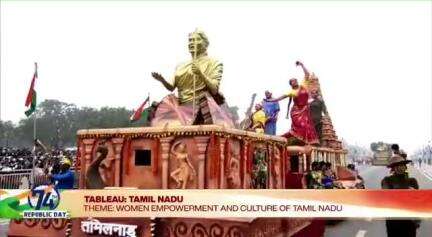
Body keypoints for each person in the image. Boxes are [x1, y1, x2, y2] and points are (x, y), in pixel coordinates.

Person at [150, 30, 234, 127]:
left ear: (205, 44)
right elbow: (171, 87)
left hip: (201, 105)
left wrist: (200, 74)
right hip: (181, 106)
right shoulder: (180, 66)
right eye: (190, 40)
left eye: (196, 40)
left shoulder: (214, 63)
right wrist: (162, 80)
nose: (191, 43)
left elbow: (214, 89)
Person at [265, 61, 319, 145]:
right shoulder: (291, 92)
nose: (295, 81)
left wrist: (302, 65)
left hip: (304, 110)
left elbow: (307, 74)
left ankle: (305, 142)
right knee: (301, 126)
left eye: (296, 80)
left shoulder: (303, 86)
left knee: (306, 126)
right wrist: (269, 100)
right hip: (296, 112)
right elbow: (279, 98)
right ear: (291, 84)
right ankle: (287, 138)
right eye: (293, 81)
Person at [382, 155, 420, 237]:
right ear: (393, 168)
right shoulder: (386, 180)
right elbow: (388, 196)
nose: (400, 167)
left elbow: (417, 200)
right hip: (393, 219)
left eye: (402, 165)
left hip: (409, 219)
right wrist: (407, 193)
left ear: (405, 166)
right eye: (397, 165)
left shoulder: (412, 181)